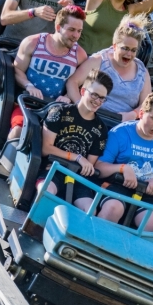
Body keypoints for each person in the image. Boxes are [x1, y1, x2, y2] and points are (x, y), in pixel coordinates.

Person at [95, 91, 153, 232]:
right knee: (113, 208)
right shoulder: (120, 133)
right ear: (141, 114)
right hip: (117, 185)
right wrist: (122, 168)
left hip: (146, 192)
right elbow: (99, 168)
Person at [37, 69, 113, 211]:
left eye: (102, 98)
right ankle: (34, 227)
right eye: (94, 95)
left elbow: (89, 166)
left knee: (90, 209)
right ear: (83, 91)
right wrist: (77, 157)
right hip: (53, 169)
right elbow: (45, 148)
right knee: (46, 191)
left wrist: (82, 163)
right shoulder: (60, 112)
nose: (97, 101)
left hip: (77, 179)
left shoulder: (101, 129)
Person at [8, 5, 88, 139]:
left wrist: (68, 96)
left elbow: (82, 84)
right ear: (58, 27)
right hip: (28, 103)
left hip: (56, 110)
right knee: (18, 132)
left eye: (79, 31)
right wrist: (28, 85)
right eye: (71, 30)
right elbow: (17, 70)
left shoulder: (80, 55)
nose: (76, 36)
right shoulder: (33, 42)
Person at [65, 14, 150, 120]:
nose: (129, 54)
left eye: (133, 50)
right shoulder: (99, 60)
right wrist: (80, 107)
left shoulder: (142, 72)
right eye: (125, 48)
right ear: (114, 46)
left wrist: (133, 114)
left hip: (123, 122)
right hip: (93, 117)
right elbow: (72, 82)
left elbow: (146, 104)